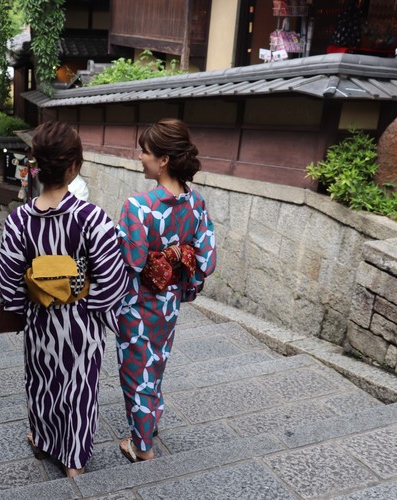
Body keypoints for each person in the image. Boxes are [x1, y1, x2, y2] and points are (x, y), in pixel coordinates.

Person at [0, 121, 127, 477]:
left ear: (37, 166)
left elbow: (6, 277)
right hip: (82, 321)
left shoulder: (19, 219)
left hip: (40, 319)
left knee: (41, 381)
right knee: (80, 389)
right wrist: (97, 308)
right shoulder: (92, 218)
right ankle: (74, 463)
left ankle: (41, 439)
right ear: (73, 167)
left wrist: (23, 305)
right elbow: (112, 277)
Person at [115, 118, 217, 463]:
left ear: (163, 160)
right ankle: (151, 418)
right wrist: (185, 287)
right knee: (156, 360)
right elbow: (206, 259)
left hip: (138, 302)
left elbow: (129, 260)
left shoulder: (139, 206)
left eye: (145, 152)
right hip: (170, 300)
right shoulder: (196, 202)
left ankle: (141, 446)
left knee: (135, 369)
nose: (139, 157)